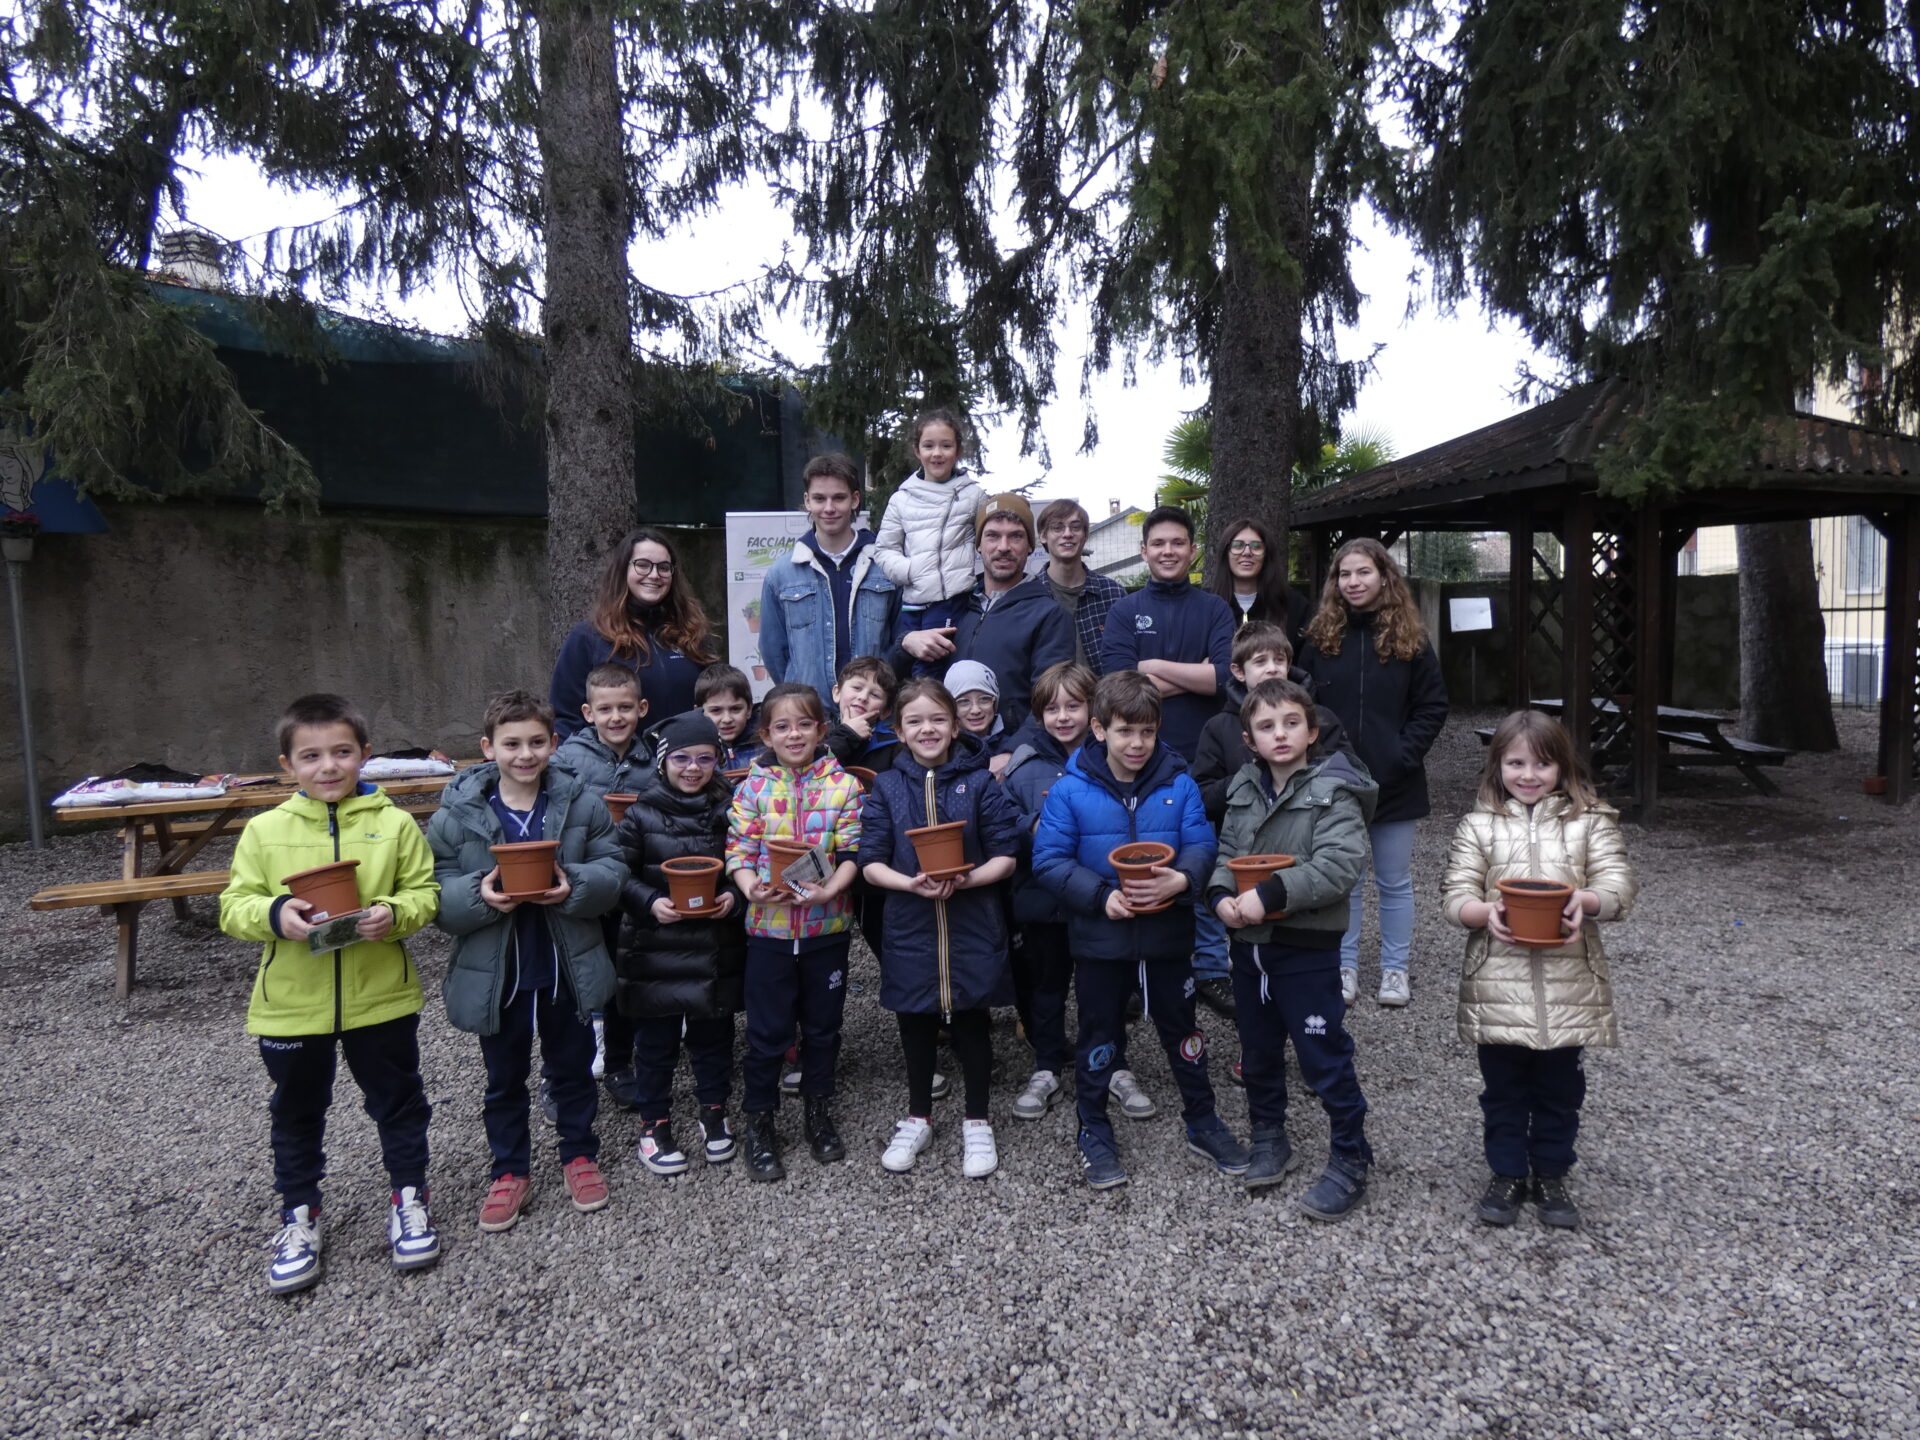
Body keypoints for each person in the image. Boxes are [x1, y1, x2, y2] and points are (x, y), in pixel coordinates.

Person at [219, 693, 442, 1294]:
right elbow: (233, 906)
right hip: (292, 1007)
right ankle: (299, 1216)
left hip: (381, 998)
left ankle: (409, 1199)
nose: (328, 766)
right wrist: (275, 914)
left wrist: (392, 913)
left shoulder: (393, 824)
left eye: (342, 752)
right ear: (287, 764)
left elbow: (424, 893)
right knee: (296, 1112)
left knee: (399, 1103)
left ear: (365, 755)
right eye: (311, 756)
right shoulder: (265, 830)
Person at [1031, 670, 1248, 1190]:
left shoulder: (1179, 782)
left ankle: (1202, 1118)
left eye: (1147, 731)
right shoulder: (1070, 790)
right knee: (1099, 1033)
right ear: (1099, 729)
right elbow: (1049, 859)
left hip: (1168, 937)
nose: (1137, 743)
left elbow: (1201, 844)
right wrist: (1100, 896)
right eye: (1125, 731)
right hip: (1101, 942)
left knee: (1184, 1030)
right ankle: (1093, 1126)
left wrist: (1183, 878)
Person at [427, 690, 626, 1232]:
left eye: (536, 742)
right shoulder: (457, 816)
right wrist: (477, 894)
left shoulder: (582, 804)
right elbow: (435, 887)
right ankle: (510, 1169)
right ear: (487, 748)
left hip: (565, 964)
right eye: (511, 744)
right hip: (501, 971)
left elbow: (613, 869)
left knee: (572, 1068)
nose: (525, 754)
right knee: (504, 1077)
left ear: (554, 743)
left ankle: (579, 1154)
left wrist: (573, 884)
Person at [1441, 710, 1637, 1230]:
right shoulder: (1478, 826)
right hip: (1497, 986)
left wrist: (1586, 901)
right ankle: (1506, 1172)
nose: (1529, 775)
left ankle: (1551, 1172)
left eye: (1542, 764)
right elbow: (1454, 895)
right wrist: (1484, 913)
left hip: (1569, 985)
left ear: (1563, 767)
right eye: (1516, 763)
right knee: (1503, 1090)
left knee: (1560, 1091)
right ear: (1497, 766)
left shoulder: (1590, 822)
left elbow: (1619, 887)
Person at [1207, 678, 1379, 1220]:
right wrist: (1219, 897)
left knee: (1322, 1054)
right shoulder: (1243, 788)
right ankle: (1269, 1135)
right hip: (1248, 950)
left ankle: (1351, 1153)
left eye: (1290, 723)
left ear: (1311, 731)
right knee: (1257, 1052)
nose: (1279, 734)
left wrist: (1269, 895)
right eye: (1266, 726)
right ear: (1249, 740)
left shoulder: (1336, 790)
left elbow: (1339, 866)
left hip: (1305, 951)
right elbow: (1227, 854)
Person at [858, 679, 1022, 1177]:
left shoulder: (980, 783)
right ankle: (918, 1117)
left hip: (972, 922)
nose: (927, 729)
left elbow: (1006, 855)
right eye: (915, 721)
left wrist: (968, 879)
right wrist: (910, 884)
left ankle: (977, 1120)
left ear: (954, 726)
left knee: (972, 1019)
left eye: (937, 719)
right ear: (899, 731)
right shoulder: (887, 787)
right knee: (915, 1021)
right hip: (910, 925)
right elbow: (870, 862)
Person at [1000, 660, 1159, 1122]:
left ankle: (1114, 1064)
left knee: (1105, 989)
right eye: (1052, 709)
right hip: (1044, 900)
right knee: (1046, 988)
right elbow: (1003, 819)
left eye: (1073, 706)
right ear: (1039, 715)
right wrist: (1035, 826)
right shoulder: (1023, 764)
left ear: (1094, 711)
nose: (1063, 716)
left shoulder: (1115, 756)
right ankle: (1047, 1065)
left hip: (1101, 898)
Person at [1098, 505, 1238, 1017]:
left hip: (1206, 755)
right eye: (1158, 543)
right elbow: (1119, 687)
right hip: (1142, 756)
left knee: (1204, 857)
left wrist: (1152, 666)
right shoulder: (1125, 610)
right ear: (1144, 551)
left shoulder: (1215, 609)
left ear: (1193, 550)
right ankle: (1143, 972)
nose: (1168, 551)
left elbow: (1223, 678)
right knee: (1145, 859)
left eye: (1178, 542)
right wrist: (1190, 674)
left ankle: (1211, 969)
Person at [1299, 538, 1450, 1010]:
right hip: (1336, 780)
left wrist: (1403, 755)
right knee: (1345, 878)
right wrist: (1321, 758)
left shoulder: (1411, 640)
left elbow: (1432, 705)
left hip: (1395, 779)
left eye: (1363, 572)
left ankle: (1394, 969)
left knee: (1393, 879)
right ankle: (1344, 966)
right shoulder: (1319, 639)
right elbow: (1303, 706)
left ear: (1385, 577)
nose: (1353, 582)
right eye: (1344, 574)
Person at [725, 682, 864, 1181]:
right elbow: (739, 851)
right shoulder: (752, 788)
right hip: (769, 931)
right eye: (782, 726)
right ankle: (760, 1122)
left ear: (822, 730)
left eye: (805, 724)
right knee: (766, 1032)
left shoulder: (844, 786)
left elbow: (852, 852)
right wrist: (751, 889)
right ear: (766, 735)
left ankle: (817, 1111)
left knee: (823, 1027)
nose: (794, 734)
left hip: (827, 928)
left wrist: (831, 892)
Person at [612, 712, 747, 1176]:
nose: (693, 768)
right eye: (682, 759)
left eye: (705, 759)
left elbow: (746, 864)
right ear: (664, 761)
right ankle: (654, 1124)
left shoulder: (731, 812)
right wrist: (649, 901)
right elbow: (618, 874)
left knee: (713, 1039)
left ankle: (714, 1113)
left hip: (714, 945)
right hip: (655, 947)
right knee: (656, 1044)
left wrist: (735, 897)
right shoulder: (640, 813)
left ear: (718, 760)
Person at [550, 663, 651, 1114]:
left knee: (621, 976)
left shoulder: (651, 760)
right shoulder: (566, 760)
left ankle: (619, 1064)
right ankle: (560, 1075)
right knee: (575, 983)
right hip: (580, 885)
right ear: (588, 712)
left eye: (625, 708)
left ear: (641, 708)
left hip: (627, 885)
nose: (616, 717)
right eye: (605, 709)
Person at [897, 494, 1074, 728]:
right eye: (993, 536)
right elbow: (895, 678)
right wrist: (905, 643)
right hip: (948, 744)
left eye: (1016, 536)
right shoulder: (953, 605)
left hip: (1012, 747)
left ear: (1030, 546)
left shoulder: (1049, 616)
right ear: (979, 545)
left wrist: (1017, 747)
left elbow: (1050, 702)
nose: (1004, 547)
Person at [759, 453, 900, 703]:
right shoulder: (781, 574)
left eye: (839, 498)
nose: (829, 508)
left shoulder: (885, 567)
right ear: (807, 501)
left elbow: (898, 642)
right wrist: (801, 700)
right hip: (810, 713)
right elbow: (773, 652)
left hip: (872, 711)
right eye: (819, 498)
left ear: (855, 499)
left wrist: (878, 691)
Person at [550, 528, 715, 739]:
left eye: (663, 567)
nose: (654, 575)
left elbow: (717, 700)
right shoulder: (589, 637)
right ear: (623, 569)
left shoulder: (692, 633)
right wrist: (585, 758)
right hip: (616, 760)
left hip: (688, 757)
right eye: (643, 565)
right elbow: (565, 717)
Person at [1193, 623, 1350, 824]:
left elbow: (1348, 776)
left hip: (1316, 828)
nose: (1272, 669)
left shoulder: (1320, 717)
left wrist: (1297, 770)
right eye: (1260, 662)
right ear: (1239, 671)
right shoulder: (1218, 727)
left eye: (1279, 660)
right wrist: (1252, 776)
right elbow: (1203, 799)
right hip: (1245, 835)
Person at [870, 409, 987, 653]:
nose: (937, 453)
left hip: (952, 602)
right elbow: (884, 550)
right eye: (929, 445)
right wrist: (911, 570)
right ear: (917, 450)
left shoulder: (973, 495)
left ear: (958, 451)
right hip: (913, 604)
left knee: (934, 667)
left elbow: (990, 539)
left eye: (946, 445)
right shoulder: (901, 499)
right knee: (912, 666)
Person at [1034, 499, 1127, 672]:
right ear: (1043, 536)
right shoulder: (1029, 596)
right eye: (1057, 527)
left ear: (1085, 535)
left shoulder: (1113, 594)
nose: (1067, 534)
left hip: (1106, 690)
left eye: (1075, 527)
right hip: (1047, 690)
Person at [1207, 516, 1310, 650]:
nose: (1247, 552)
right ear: (1226, 553)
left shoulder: (1294, 605)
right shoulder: (1204, 604)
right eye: (1238, 545)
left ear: (1266, 555)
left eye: (1256, 546)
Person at [695, 663, 761, 772]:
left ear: (749, 709)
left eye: (735, 709)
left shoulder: (768, 743)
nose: (727, 719)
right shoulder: (693, 750)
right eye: (716, 710)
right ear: (699, 712)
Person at [945, 658, 1007, 758]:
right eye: (964, 701)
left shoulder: (1010, 749)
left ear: (994, 702)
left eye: (984, 699)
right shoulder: (944, 753)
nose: (976, 710)